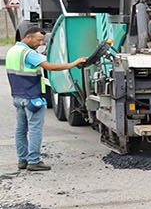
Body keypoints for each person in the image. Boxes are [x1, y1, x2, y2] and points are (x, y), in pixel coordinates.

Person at [7, 27, 93, 171]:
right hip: (32, 97)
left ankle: (22, 160)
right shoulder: (28, 53)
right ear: (28, 37)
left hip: (18, 97)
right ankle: (33, 161)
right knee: (35, 129)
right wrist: (73, 64)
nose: (40, 43)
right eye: (38, 40)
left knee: (21, 129)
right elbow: (50, 67)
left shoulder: (12, 51)